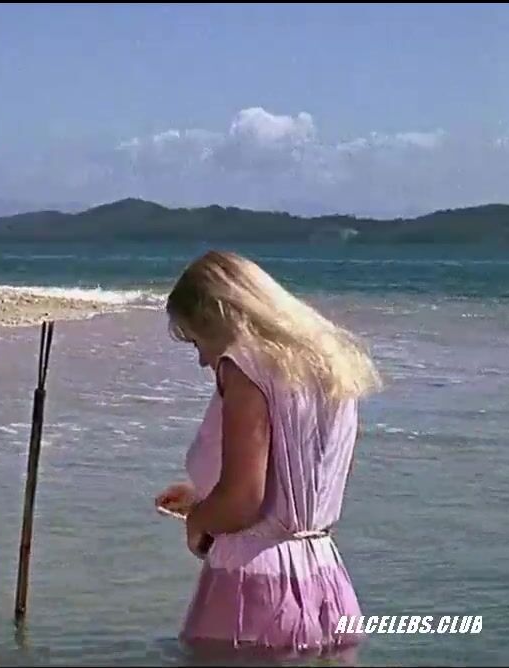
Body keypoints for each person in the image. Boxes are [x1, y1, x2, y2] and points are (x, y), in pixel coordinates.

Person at [154, 250, 382, 661]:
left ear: (219, 318)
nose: (203, 359)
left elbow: (242, 503)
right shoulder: (329, 364)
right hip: (327, 584)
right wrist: (202, 493)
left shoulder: (244, 368)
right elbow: (304, 480)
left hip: (255, 593)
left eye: (197, 341)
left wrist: (198, 520)